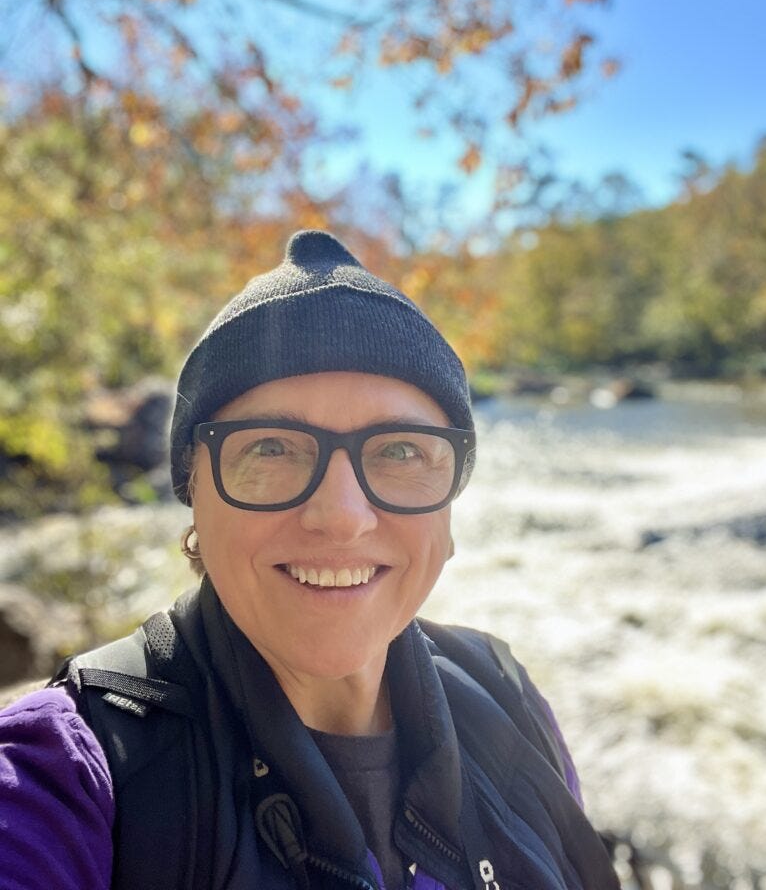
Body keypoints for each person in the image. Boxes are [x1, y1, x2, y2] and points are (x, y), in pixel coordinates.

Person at [0, 230, 618, 890]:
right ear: (193, 493)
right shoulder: (65, 773)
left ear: (448, 506)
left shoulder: (508, 700)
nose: (343, 516)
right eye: (270, 448)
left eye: (401, 451)